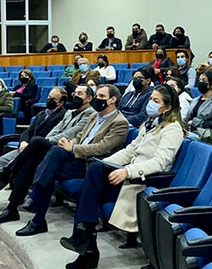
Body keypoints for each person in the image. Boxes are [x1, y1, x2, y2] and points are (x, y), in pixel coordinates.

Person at [61, 85, 187, 269]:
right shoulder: (150, 124)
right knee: (95, 172)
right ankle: (84, 238)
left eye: (156, 101)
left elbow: (160, 163)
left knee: (88, 191)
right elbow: (130, 151)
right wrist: (106, 164)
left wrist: (127, 172)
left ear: (167, 108)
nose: (150, 103)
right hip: (129, 175)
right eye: (150, 99)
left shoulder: (172, 129)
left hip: (143, 181)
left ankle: (85, 244)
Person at [13, 84, 130, 236]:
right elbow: (80, 136)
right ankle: (37, 214)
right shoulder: (95, 115)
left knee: (49, 166)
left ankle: (37, 209)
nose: (97, 100)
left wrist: (73, 148)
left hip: (90, 163)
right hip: (75, 156)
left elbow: (102, 148)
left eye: (102, 97)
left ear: (113, 99)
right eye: (97, 96)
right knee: (54, 152)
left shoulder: (120, 123)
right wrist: (70, 143)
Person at [0, 86, 70, 211]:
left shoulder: (63, 116)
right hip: (26, 147)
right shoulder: (41, 114)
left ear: (60, 103)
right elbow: (28, 131)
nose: (49, 100)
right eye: (49, 97)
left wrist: (30, 145)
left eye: (53, 99)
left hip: (39, 153)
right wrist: (23, 142)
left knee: (7, 167)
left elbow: (51, 138)